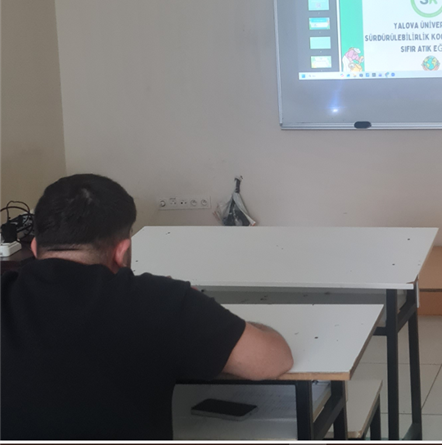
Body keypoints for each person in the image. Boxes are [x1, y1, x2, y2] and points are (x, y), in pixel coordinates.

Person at [0, 174, 294, 439]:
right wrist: (193, 309)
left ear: (35, 248)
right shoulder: (161, 301)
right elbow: (273, 359)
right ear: (121, 251)